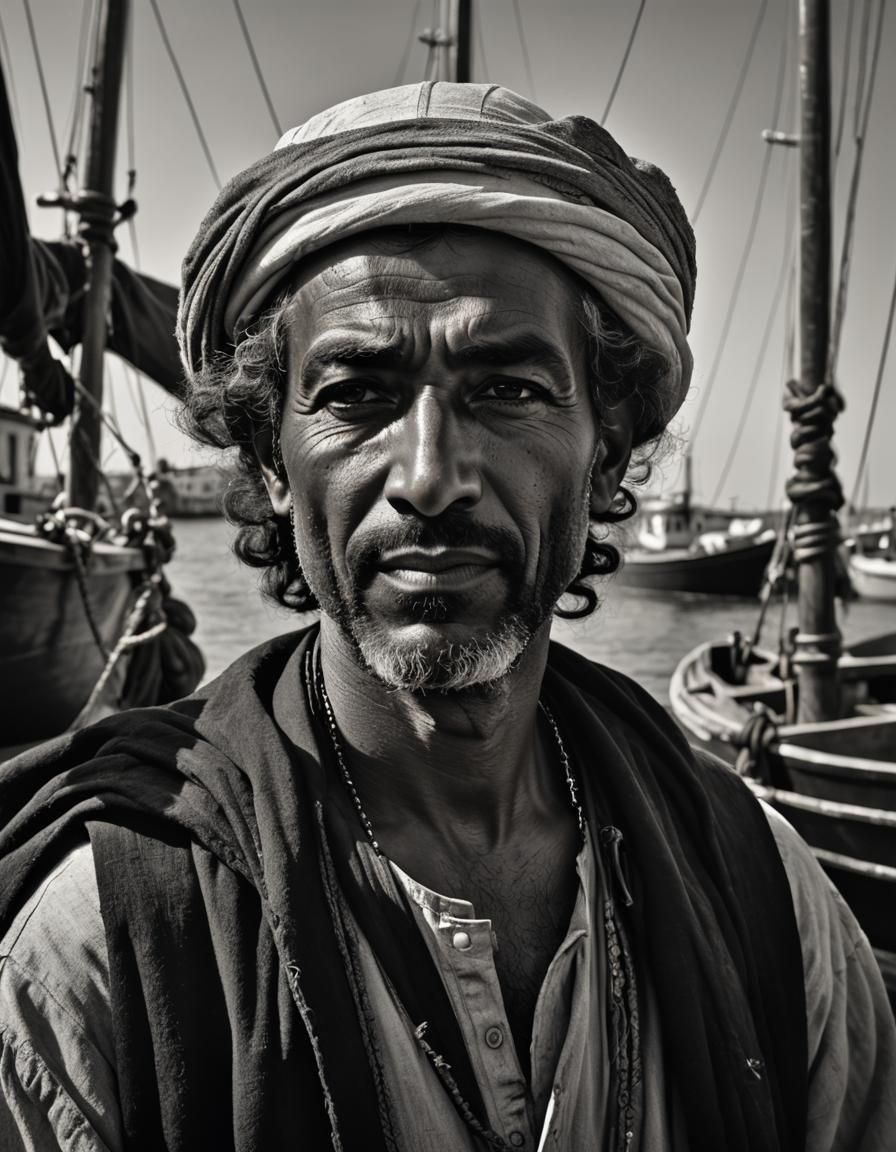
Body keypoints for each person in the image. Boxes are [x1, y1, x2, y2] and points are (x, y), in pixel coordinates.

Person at [0, 82, 893, 1152]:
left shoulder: (759, 890)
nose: (429, 476)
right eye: (355, 394)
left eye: (507, 389)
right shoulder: (107, 945)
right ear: (270, 457)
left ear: (607, 448)